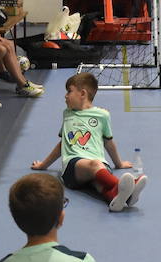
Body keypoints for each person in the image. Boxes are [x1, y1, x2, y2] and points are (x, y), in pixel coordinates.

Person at [30, 72, 146, 212]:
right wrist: (43, 164)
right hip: (72, 167)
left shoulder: (103, 115)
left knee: (100, 185)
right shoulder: (68, 114)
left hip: (99, 166)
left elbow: (108, 142)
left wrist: (119, 163)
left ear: (83, 93)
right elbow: (63, 144)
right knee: (94, 165)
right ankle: (127, 187)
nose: (65, 96)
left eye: (69, 91)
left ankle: (117, 198)